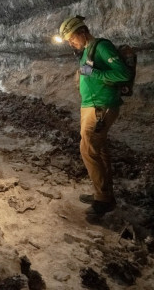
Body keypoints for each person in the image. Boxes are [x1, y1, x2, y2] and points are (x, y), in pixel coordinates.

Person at [59, 16, 131, 218]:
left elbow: (123, 74)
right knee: (99, 149)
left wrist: (94, 74)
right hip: (91, 105)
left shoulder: (102, 47)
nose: (70, 43)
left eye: (72, 38)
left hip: (101, 107)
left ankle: (103, 200)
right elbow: (87, 72)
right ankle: (105, 193)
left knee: (88, 149)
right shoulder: (87, 51)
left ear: (82, 32)